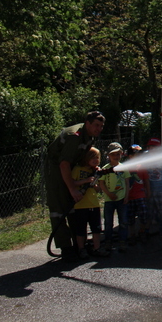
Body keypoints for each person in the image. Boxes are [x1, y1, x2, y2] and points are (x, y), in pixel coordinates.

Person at [44, 111, 105, 262]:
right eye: (96, 125)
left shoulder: (88, 136)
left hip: (71, 168)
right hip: (57, 171)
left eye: (101, 126)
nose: (99, 129)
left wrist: (92, 168)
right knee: (59, 210)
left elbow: (82, 157)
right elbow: (63, 164)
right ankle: (66, 248)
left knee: (73, 208)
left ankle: (79, 245)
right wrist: (72, 188)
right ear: (87, 123)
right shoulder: (74, 136)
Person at [71, 147, 109, 258]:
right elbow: (72, 183)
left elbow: (97, 189)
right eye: (93, 157)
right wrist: (86, 181)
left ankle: (97, 248)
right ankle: (81, 249)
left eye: (97, 157)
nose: (96, 160)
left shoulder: (96, 171)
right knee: (81, 230)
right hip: (80, 205)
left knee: (96, 229)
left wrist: (95, 184)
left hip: (94, 204)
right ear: (86, 158)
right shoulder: (78, 169)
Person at [99, 142, 129, 253]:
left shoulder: (124, 168)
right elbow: (101, 183)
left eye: (118, 154)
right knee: (108, 223)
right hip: (109, 200)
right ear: (108, 155)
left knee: (123, 222)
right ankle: (108, 242)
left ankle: (122, 242)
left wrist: (126, 196)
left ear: (121, 154)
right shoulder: (105, 169)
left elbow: (127, 182)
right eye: (113, 154)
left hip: (122, 199)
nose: (116, 156)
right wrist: (109, 194)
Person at [125, 144, 150, 245]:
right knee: (130, 217)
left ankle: (142, 231)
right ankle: (132, 235)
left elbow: (146, 181)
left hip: (141, 195)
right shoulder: (125, 168)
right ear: (130, 156)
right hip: (129, 197)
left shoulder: (142, 167)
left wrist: (149, 192)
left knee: (143, 214)